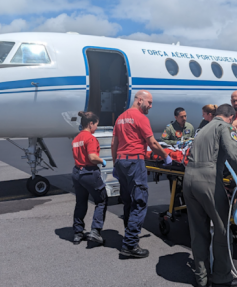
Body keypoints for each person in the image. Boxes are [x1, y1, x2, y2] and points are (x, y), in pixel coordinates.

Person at [184, 104, 237, 287]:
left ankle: (201, 277)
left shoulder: (204, 128)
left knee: (198, 231)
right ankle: (222, 278)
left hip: (189, 180)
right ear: (230, 117)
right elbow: (233, 152)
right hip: (208, 181)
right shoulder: (225, 127)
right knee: (222, 231)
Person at [111, 90, 171, 258]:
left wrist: (115, 163)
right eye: (149, 103)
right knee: (139, 202)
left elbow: (114, 143)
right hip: (134, 162)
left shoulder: (121, 117)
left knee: (128, 202)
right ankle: (129, 245)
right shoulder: (141, 118)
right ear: (139, 100)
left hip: (122, 162)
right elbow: (152, 142)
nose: (150, 106)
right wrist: (165, 156)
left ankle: (130, 236)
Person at [71, 111, 108, 245]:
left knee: (81, 202)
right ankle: (95, 231)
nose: (96, 128)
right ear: (91, 123)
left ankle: (78, 232)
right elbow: (92, 158)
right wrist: (102, 161)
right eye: (96, 125)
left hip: (77, 173)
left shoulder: (76, 138)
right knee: (101, 200)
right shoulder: (90, 138)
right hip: (89, 173)